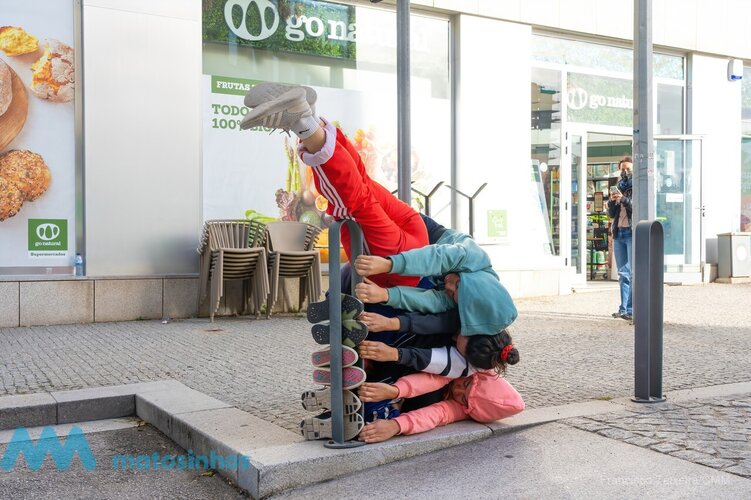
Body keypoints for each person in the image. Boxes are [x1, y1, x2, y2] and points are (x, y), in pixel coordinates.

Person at [241, 84, 428, 289]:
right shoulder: (435, 296)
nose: (451, 287)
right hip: (399, 271)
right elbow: (432, 303)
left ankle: (313, 118)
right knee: (355, 202)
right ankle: (302, 122)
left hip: (419, 235)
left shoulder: (450, 264)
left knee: (363, 182)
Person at [356, 351, 524, 443]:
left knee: (429, 398)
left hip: (404, 397)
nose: (458, 390)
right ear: (474, 375)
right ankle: (365, 364)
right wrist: (395, 391)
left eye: (463, 398)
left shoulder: (465, 408)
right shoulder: (465, 367)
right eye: (466, 384)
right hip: (409, 369)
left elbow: (437, 414)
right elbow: (432, 380)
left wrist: (396, 426)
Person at [608, 156, 633, 322]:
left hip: (632, 232)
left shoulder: (638, 186)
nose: (625, 171)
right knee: (623, 273)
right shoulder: (618, 186)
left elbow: (637, 206)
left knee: (632, 273)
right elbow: (611, 214)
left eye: (628, 169)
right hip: (619, 233)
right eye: (622, 169)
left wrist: (623, 199)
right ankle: (623, 308)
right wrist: (612, 202)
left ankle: (631, 309)